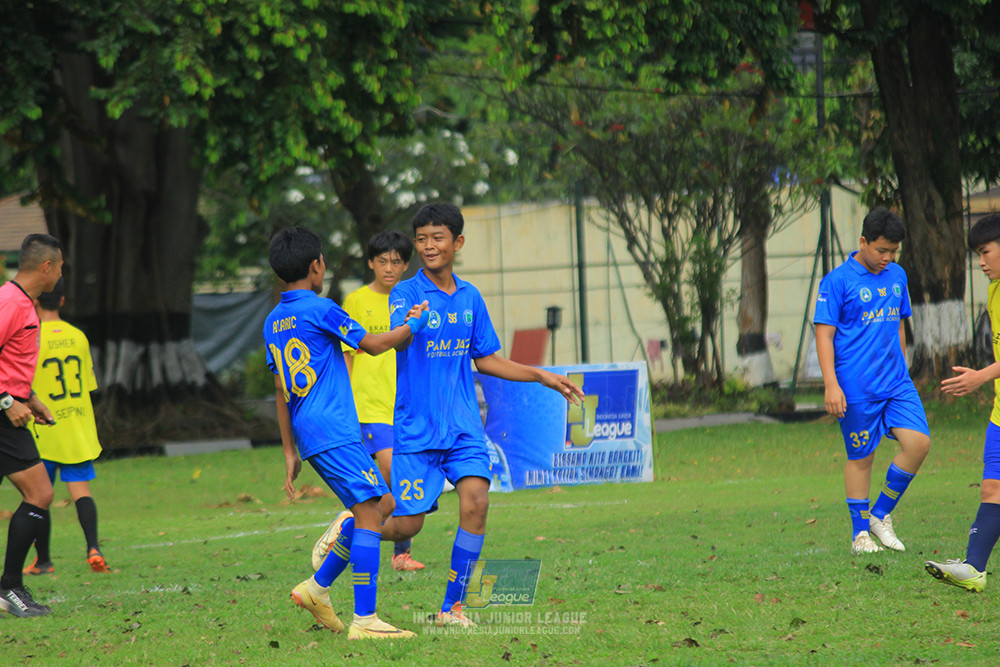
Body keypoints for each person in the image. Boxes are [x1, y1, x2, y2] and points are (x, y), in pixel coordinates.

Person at [372, 203, 582, 626]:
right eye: (422, 239)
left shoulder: (470, 297)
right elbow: (397, 338)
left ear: (458, 242)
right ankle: (351, 526)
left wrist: (541, 375)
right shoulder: (407, 293)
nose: (429, 246)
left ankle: (452, 607)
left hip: (464, 427)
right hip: (418, 429)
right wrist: (411, 325)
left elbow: (486, 359)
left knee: (477, 503)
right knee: (408, 527)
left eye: (438, 237)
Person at [263, 226, 428, 640]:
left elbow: (280, 391)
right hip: (333, 429)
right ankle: (366, 620)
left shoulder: (272, 322)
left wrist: (288, 450)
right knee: (373, 511)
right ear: (316, 265)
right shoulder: (322, 308)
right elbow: (372, 345)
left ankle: (317, 589)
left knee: (383, 502)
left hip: (309, 432)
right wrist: (412, 326)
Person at [814, 207, 931, 555]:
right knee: (862, 457)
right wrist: (831, 384)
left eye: (893, 252)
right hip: (856, 387)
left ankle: (880, 514)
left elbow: (898, 322)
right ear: (863, 242)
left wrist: (902, 364)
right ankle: (860, 534)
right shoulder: (837, 281)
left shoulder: (897, 275)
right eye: (881, 250)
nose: (887, 258)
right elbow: (824, 335)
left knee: (918, 444)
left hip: (896, 383)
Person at [312, 231, 426, 573]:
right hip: (368, 407)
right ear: (370, 263)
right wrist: (343, 403)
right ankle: (353, 529)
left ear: (406, 265)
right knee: (391, 469)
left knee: (398, 486)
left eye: (396, 261)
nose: (388, 268)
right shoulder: (356, 301)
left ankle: (383, 544)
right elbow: (348, 355)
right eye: (381, 261)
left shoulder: (414, 299)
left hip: (405, 406)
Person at [925, 212, 1000, 592]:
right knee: (992, 490)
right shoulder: (993, 291)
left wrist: (981, 376)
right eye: (977, 255)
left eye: (986, 252)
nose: (981, 262)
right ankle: (973, 568)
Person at [23, 277, 109, 576]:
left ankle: (43, 561)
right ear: (62, 301)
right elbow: (89, 385)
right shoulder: (78, 336)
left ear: (35, 301)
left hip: (43, 429)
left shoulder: (30, 337)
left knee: (38, 496)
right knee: (81, 491)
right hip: (76, 427)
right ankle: (93, 549)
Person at [0, 233, 62, 617]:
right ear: (46, 267)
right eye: (60, 266)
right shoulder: (10, 302)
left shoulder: (21, 301)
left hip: (11, 407)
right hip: (2, 416)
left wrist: (29, 396)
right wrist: (7, 401)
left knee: (39, 493)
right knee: (40, 493)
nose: (61, 273)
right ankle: (10, 588)